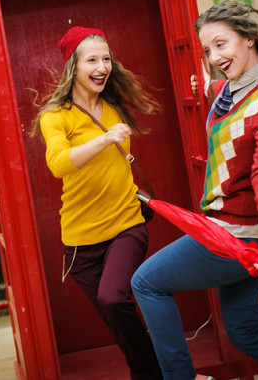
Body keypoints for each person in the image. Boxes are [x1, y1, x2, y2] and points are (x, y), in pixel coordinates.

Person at [131, 0, 258, 380]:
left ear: (250, 39)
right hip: (242, 234)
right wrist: (207, 85)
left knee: (145, 283)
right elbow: (227, 98)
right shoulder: (234, 89)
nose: (214, 57)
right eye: (208, 50)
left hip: (236, 237)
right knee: (244, 329)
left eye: (221, 45)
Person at [34, 26, 163, 380]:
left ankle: (154, 373)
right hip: (79, 242)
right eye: (92, 59)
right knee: (117, 317)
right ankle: (156, 372)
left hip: (125, 225)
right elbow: (59, 164)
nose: (102, 66)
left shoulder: (114, 107)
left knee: (112, 299)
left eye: (106, 58)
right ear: (72, 67)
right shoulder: (55, 116)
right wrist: (105, 140)